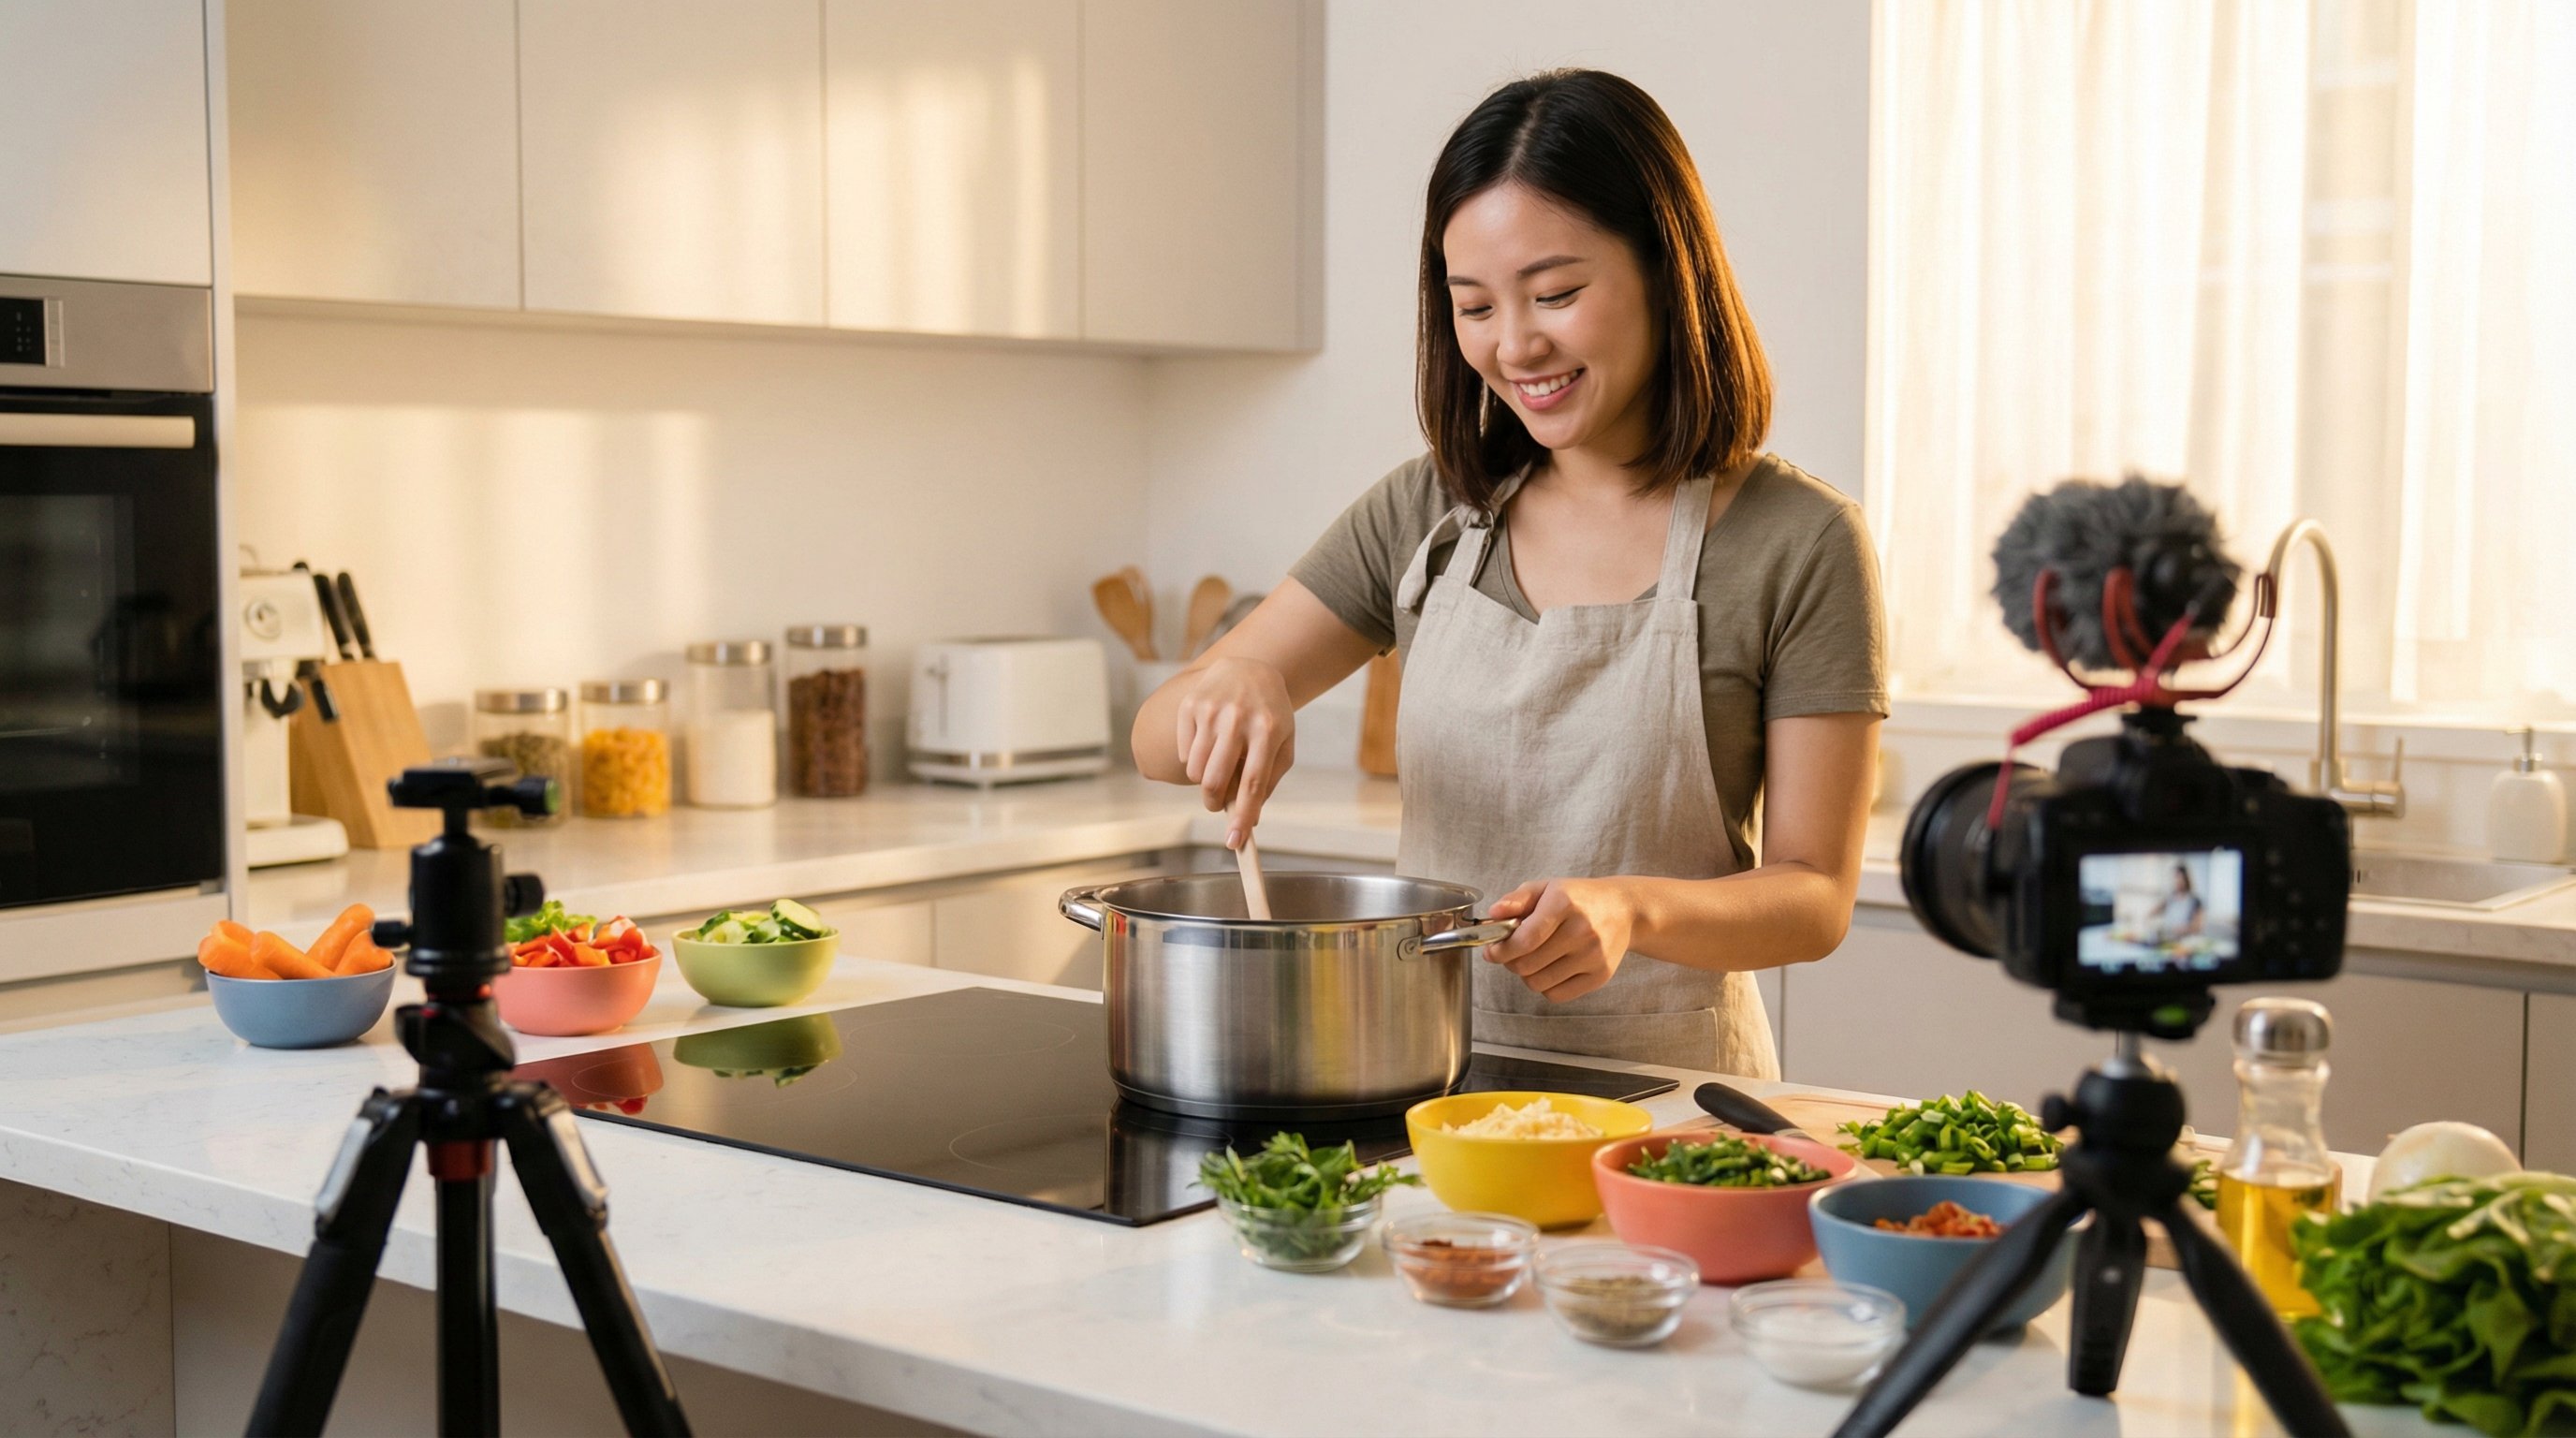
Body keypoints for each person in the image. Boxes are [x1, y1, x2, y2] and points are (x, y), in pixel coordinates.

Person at [1131, 69, 1888, 1076]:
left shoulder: (1799, 540)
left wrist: (1632, 906)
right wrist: (1235, 682)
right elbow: (1155, 744)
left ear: (1667, 270)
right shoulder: (1425, 513)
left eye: (1557, 293)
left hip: (1667, 1100)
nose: (1514, 344)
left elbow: (1812, 897)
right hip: (1425, 1072)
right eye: (1474, 305)